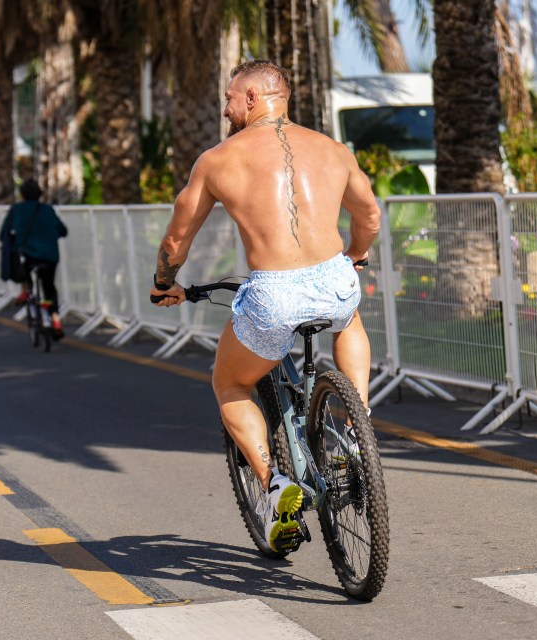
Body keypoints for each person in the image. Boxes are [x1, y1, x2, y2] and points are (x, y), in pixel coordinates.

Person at [149, 60, 380, 551]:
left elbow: (176, 240)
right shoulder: (334, 150)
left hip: (274, 292)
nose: (226, 108)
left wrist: (164, 281)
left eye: (230, 98)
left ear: (252, 98)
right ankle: (353, 426)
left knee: (230, 382)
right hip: (334, 279)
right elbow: (370, 216)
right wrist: (355, 257)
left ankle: (277, 486)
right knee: (349, 318)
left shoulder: (218, 160)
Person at [0, 179, 68, 339]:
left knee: (26, 272)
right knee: (49, 287)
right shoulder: (48, 210)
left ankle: (26, 292)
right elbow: (63, 231)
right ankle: (56, 320)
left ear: (22, 194)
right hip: (50, 255)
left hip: (27, 254)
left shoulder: (16, 209)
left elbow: (3, 234)